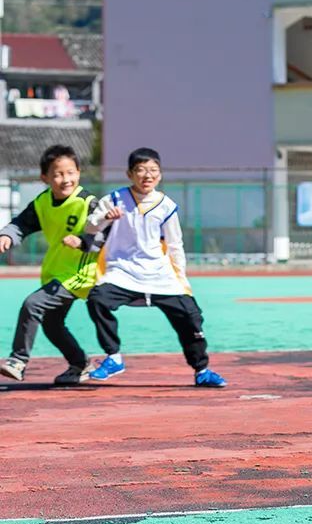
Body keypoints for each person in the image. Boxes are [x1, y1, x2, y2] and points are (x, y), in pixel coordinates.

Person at [84, 147, 227, 387]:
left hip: (161, 276)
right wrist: (105, 217)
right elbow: (90, 227)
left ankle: (201, 370)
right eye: (141, 170)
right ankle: (113, 357)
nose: (147, 176)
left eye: (153, 170)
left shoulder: (166, 205)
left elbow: (175, 244)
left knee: (192, 317)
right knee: (97, 300)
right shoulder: (114, 199)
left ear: (160, 175)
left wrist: (182, 279)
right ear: (130, 174)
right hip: (122, 272)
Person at [0, 145, 100, 385]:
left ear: (78, 172)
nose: (65, 179)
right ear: (44, 177)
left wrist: (83, 241)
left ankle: (17, 360)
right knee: (52, 324)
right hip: (56, 272)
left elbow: (107, 233)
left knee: (32, 304)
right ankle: (80, 364)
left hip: (81, 273)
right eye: (58, 174)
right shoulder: (42, 202)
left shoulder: (88, 202)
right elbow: (21, 224)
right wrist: (7, 235)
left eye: (70, 172)